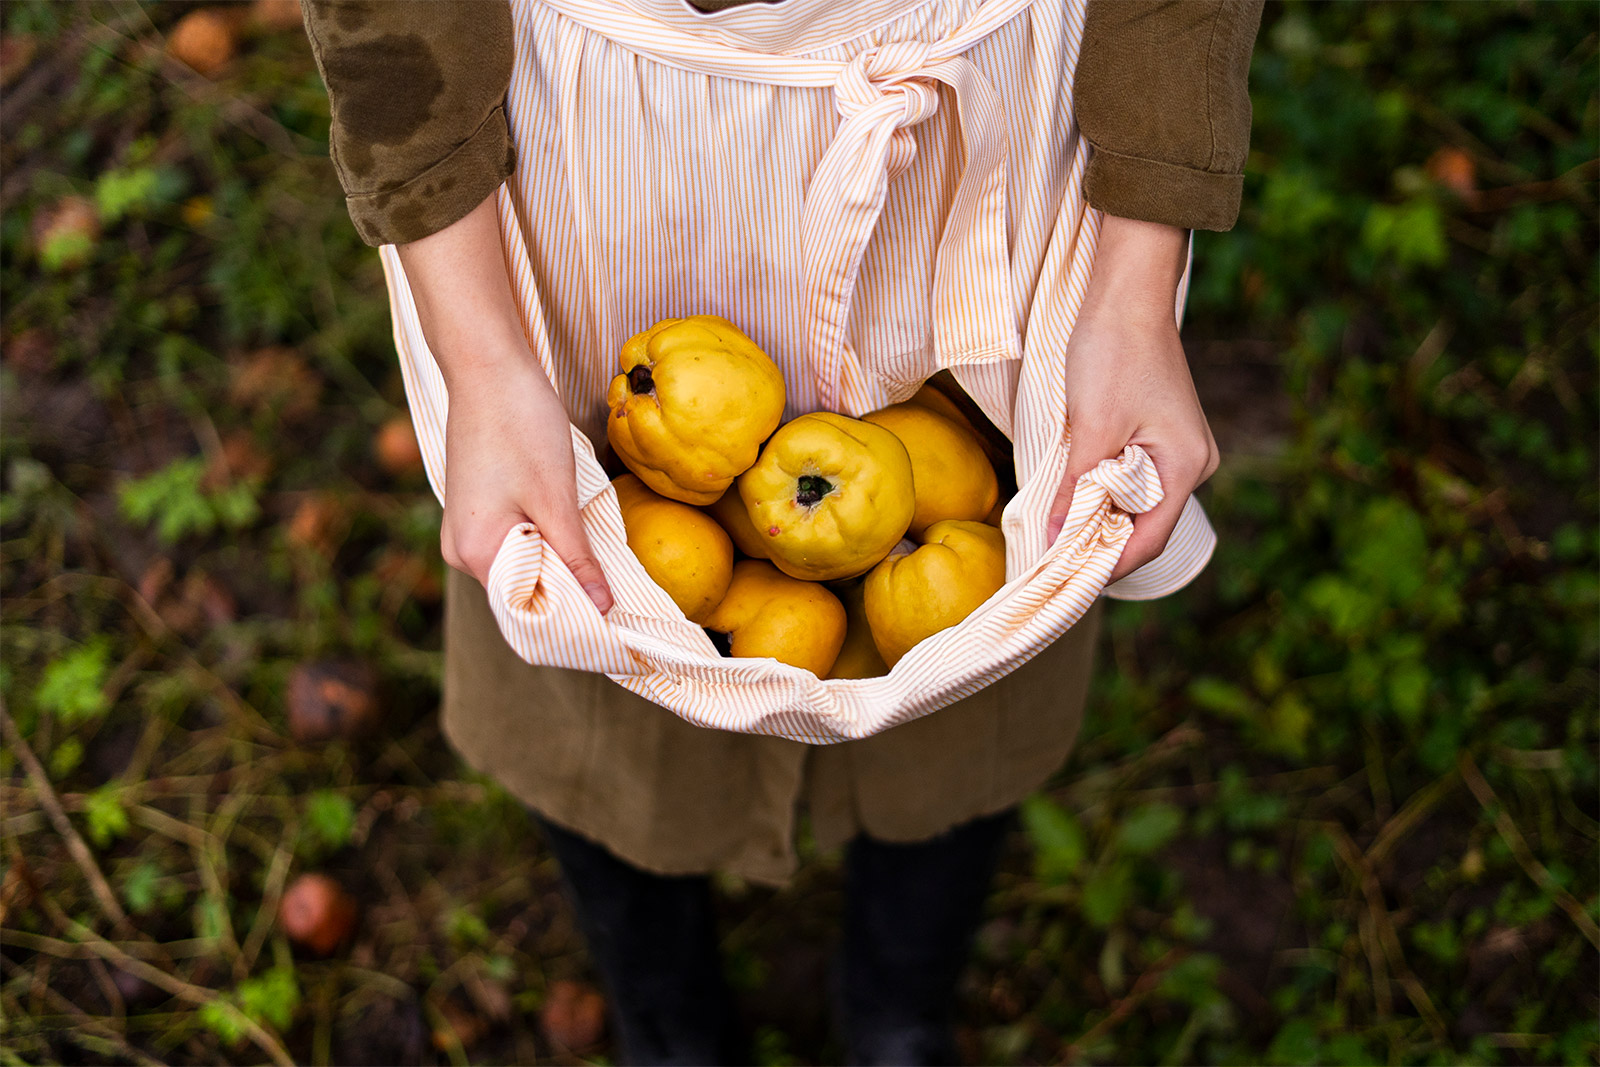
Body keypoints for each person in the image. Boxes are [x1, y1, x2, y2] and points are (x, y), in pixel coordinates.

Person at [302, 1, 1263, 1062]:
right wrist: (483, 355)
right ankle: (666, 1019)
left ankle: (897, 1005)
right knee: (586, 594)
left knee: (983, 619)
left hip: (972, 146)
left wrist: (1131, 286)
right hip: (604, 152)